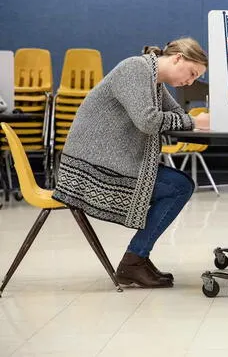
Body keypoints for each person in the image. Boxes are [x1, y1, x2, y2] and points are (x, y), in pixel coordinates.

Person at [52, 37, 210, 288]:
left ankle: (137, 258)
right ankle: (134, 260)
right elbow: (148, 121)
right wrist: (195, 122)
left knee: (180, 185)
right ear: (178, 57)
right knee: (179, 187)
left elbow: (176, 114)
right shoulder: (135, 69)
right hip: (90, 171)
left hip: (106, 163)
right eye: (192, 73)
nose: (190, 82)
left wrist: (189, 119)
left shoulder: (153, 80)